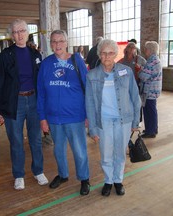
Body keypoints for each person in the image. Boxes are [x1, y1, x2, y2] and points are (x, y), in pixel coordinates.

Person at [0, 19, 48, 190]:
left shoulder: (35, 55)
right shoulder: (6, 55)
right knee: (16, 141)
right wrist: (1, 110)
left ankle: (38, 170)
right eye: (15, 32)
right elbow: (0, 83)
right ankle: (18, 174)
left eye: (22, 31)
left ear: (27, 32)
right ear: (12, 35)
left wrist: (43, 105)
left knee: (36, 139)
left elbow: (41, 82)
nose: (19, 35)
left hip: (33, 100)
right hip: (14, 102)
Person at [37, 30, 90, 196]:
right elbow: (41, 93)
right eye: (54, 41)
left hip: (75, 116)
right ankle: (63, 175)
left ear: (66, 42)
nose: (57, 44)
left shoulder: (77, 61)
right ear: (50, 44)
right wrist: (42, 118)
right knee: (58, 149)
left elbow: (87, 88)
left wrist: (88, 114)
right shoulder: (46, 64)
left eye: (60, 41)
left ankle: (84, 178)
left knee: (79, 150)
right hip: (53, 117)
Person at [85, 39, 141, 197]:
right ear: (99, 55)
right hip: (104, 121)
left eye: (110, 53)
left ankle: (118, 180)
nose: (107, 56)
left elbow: (135, 97)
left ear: (116, 54)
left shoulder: (126, 71)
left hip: (124, 119)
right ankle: (108, 180)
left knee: (120, 152)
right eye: (103, 53)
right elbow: (89, 103)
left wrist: (136, 121)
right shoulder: (92, 75)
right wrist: (93, 128)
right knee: (106, 152)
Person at [138, 41, 162, 138]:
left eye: (146, 49)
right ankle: (152, 128)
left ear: (150, 50)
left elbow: (144, 76)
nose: (145, 51)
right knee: (151, 110)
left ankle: (150, 131)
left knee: (149, 110)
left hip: (150, 90)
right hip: (153, 89)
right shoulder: (155, 59)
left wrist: (140, 71)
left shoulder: (152, 61)